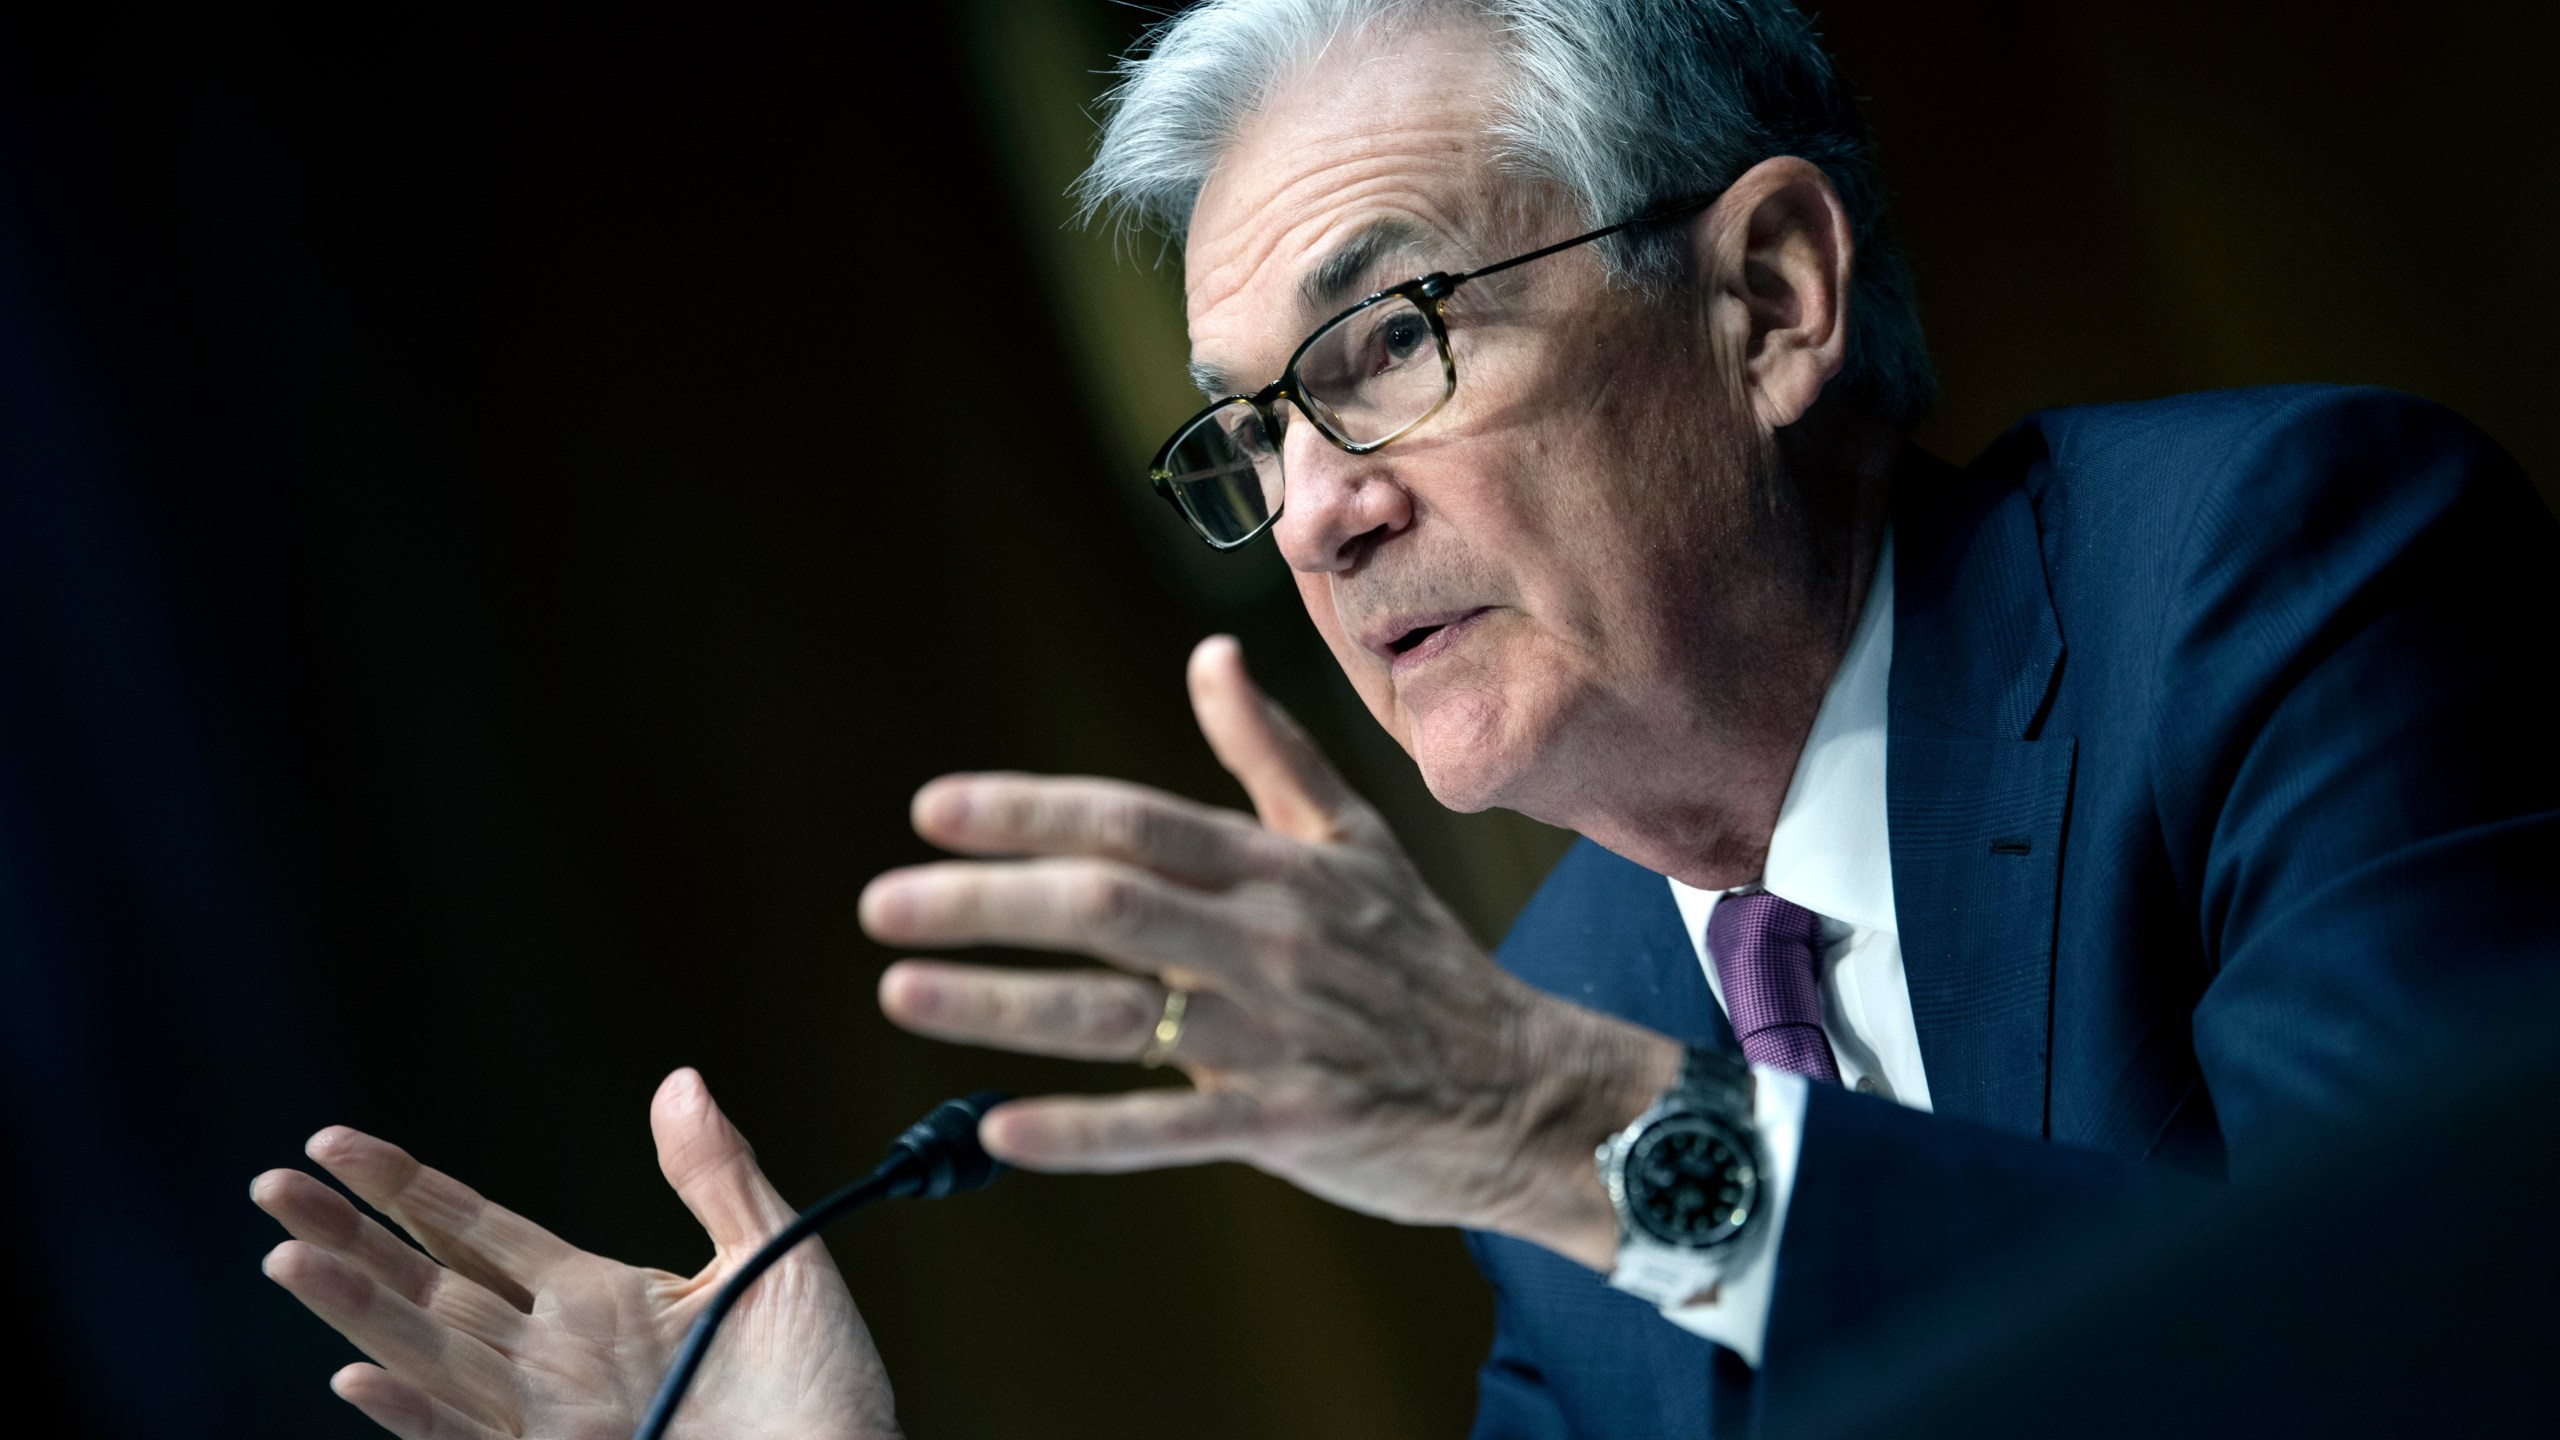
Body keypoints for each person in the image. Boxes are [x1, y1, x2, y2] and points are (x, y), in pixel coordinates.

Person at [252, 1, 2560, 1436]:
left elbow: (2434, 1372)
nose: (1320, 514)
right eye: (1250, 438)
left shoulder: (2274, 578)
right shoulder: (1580, 982)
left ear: (1767, 295)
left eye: (1389, 338)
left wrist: (1560, 1132)